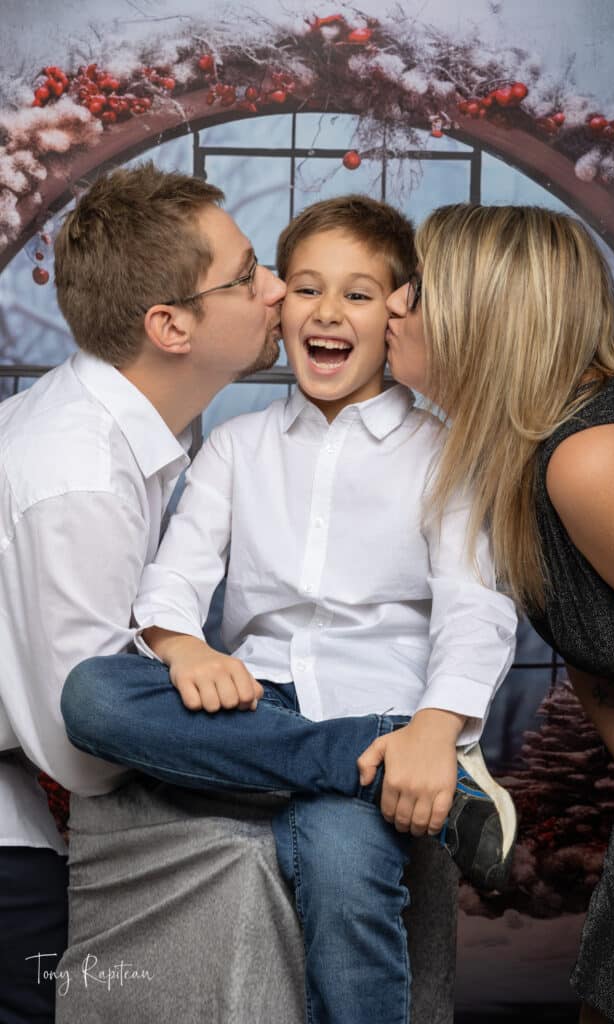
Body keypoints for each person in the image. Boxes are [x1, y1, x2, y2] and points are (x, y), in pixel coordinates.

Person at [62, 194, 518, 1024]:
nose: (327, 312)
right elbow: (174, 579)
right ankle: (362, 761)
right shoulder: (237, 445)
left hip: (385, 710)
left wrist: (432, 726)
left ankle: (381, 761)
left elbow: (473, 608)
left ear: (398, 314)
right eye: (305, 288)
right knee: (93, 694)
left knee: (345, 870)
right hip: (256, 708)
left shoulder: (446, 455)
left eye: (358, 293)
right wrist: (181, 649)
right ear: (282, 309)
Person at [0, 160, 300, 1023]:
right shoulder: (81, 472)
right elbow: (83, 746)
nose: (276, 289)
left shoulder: (107, 430)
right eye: (249, 274)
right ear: (170, 325)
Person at [383, 202, 614, 1024]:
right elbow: (599, 666)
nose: (392, 305)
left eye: (415, 289)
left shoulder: (594, 458)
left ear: (482, 314)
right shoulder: (518, 457)